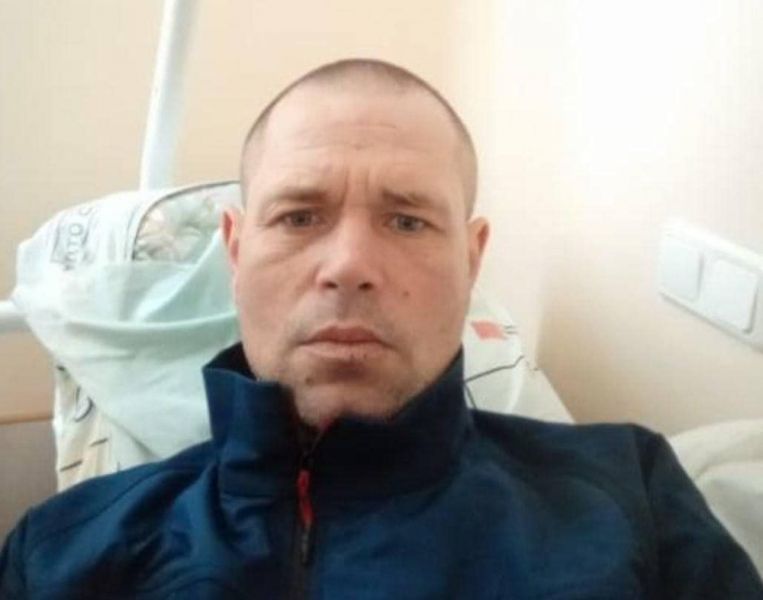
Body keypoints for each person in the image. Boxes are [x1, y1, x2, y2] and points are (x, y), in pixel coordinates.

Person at [1, 59, 761, 599]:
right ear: (235, 252)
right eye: (299, 216)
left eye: (406, 220)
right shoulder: (62, 552)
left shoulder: (630, 495)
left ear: (471, 260)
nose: (349, 265)